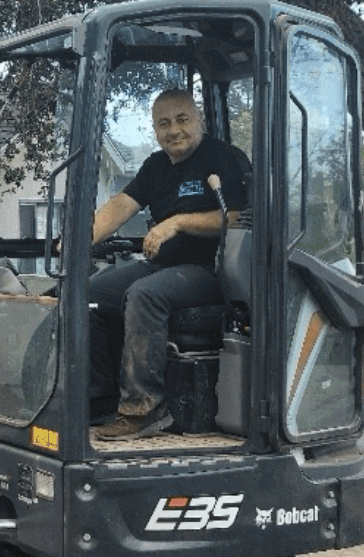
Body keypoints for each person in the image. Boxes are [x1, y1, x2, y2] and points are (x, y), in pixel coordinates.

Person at [88, 87, 251, 436]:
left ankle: (144, 408)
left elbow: (236, 217)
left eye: (182, 119)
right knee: (92, 295)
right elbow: (121, 205)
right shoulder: (156, 166)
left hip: (211, 271)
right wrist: (77, 239)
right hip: (163, 266)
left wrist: (176, 223)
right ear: (154, 129)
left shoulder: (221, 158)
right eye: (163, 123)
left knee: (145, 294)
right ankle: (98, 401)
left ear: (199, 121)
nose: (173, 130)